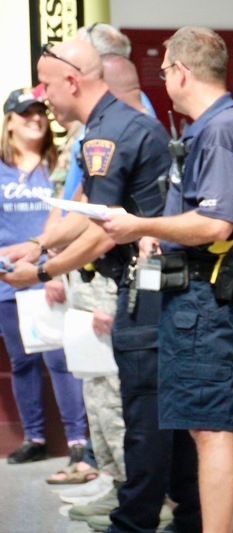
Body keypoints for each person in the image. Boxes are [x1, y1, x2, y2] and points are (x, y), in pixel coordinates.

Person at [0, 39, 200, 532]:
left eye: (47, 85)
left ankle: (135, 520)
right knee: (155, 412)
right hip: (147, 286)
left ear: (73, 82)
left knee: (144, 414)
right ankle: (186, 514)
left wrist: (42, 272)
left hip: (147, 289)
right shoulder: (108, 126)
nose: (44, 98)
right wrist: (40, 244)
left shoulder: (107, 133)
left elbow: (101, 230)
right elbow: (88, 205)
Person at [101, 26, 233, 532]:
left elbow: (214, 223)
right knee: (227, 419)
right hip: (216, 292)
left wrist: (142, 225)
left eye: (163, 71)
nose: (163, 80)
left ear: (180, 71)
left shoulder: (217, 132)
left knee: (207, 429)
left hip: (203, 297)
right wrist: (164, 233)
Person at [0, 87, 87, 465]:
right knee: (22, 360)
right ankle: (34, 437)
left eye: (40, 113)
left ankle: (79, 440)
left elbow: (70, 217)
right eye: (25, 114)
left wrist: (55, 265)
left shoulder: (58, 163)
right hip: (7, 278)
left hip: (51, 273)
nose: (35, 119)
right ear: (8, 123)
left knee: (59, 357)